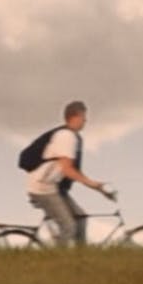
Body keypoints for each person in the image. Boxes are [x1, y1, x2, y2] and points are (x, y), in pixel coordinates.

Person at [26, 101, 115, 247]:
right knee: (68, 226)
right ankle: (59, 264)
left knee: (80, 217)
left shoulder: (72, 137)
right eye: (84, 116)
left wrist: (98, 188)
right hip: (41, 188)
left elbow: (72, 171)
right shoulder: (66, 136)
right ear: (75, 116)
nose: (85, 120)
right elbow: (67, 169)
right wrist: (92, 184)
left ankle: (81, 258)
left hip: (53, 187)